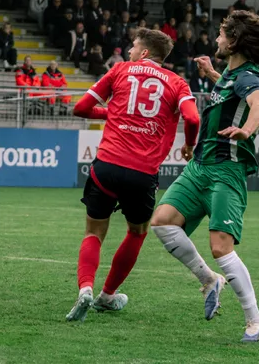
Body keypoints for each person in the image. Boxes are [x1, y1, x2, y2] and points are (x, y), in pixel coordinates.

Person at [151, 10, 259, 343]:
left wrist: (246, 130)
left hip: (225, 173)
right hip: (199, 166)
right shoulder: (232, 74)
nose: (216, 39)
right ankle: (209, 280)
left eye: (221, 34)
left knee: (221, 247)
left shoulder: (249, 75)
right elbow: (231, 95)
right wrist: (211, 72)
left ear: (233, 41)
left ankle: (256, 321)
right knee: (162, 221)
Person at [66, 28, 199, 322]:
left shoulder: (120, 71)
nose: (128, 51)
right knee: (137, 232)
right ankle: (107, 295)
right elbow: (192, 117)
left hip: (106, 166)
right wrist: (189, 144)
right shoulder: (178, 83)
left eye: (133, 46)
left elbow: (81, 108)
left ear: (145, 52)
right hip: (142, 174)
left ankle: (85, 289)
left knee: (93, 232)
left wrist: (110, 113)